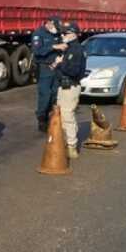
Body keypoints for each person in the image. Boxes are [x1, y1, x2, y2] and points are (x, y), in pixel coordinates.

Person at [52, 22, 86, 159]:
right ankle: (68, 141)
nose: (62, 35)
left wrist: (60, 64)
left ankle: (71, 146)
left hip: (70, 87)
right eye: (62, 33)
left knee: (67, 117)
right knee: (64, 116)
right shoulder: (69, 48)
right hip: (64, 86)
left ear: (73, 35)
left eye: (65, 33)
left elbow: (73, 71)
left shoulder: (75, 50)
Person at [32, 16, 67, 132]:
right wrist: (54, 46)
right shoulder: (39, 34)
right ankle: (42, 118)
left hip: (56, 67)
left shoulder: (57, 34)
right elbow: (37, 51)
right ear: (49, 23)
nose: (56, 29)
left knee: (55, 94)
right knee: (45, 94)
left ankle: (51, 117)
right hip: (44, 67)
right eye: (55, 26)